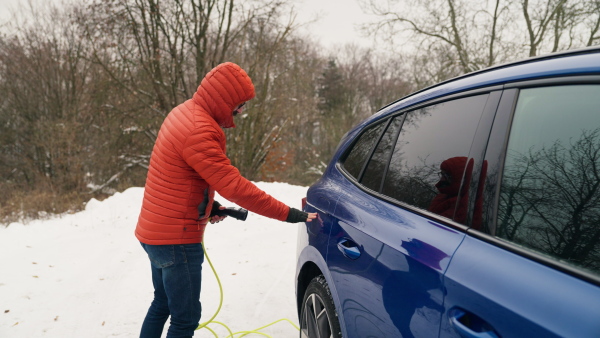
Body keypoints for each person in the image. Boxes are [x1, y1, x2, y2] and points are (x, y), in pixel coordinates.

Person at [134, 62, 317, 338]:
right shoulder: (200, 130)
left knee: (162, 304)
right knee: (185, 319)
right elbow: (236, 187)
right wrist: (290, 214)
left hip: (154, 232)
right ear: (223, 100)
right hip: (176, 241)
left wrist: (209, 206)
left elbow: (178, 178)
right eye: (239, 104)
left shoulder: (184, 112)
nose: (241, 111)